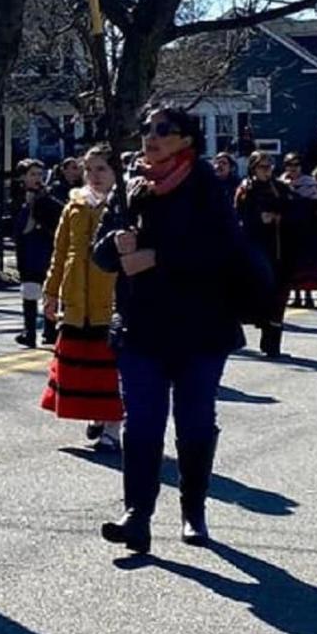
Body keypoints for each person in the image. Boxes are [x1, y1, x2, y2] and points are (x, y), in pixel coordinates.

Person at [94, 104, 261, 553]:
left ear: (186, 139)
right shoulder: (129, 185)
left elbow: (224, 251)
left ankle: (194, 511)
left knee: (194, 422)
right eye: (147, 128)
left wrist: (158, 257)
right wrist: (115, 243)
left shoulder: (206, 184)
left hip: (201, 327)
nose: (151, 136)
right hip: (141, 326)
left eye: (163, 130)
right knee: (143, 423)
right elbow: (101, 253)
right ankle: (137, 516)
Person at [40, 145, 123, 450]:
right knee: (81, 363)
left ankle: (113, 426)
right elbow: (60, 253)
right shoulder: (73, 206)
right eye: (89, 169)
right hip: (77, 298)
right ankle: (96, 415)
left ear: (115, 173)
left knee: (111, 367)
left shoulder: (122, 206)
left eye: (102, 169)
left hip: (110, 299)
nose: (95, 176)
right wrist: (51, 293)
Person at [235, 150, 295, 359]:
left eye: (269, 166)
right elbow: (239, 217)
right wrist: (258, 219)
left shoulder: (280, 188)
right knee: (256, 294)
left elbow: (293, 209)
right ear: (253, 169)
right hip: (254, 248)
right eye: (262, 167)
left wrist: (278, 217)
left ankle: (272, 345)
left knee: (278, 297)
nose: (267, 171)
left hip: (279, 248)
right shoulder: (246, 190)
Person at [12, 159, 63, 347]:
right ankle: (30, 331)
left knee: (50, 291)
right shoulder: (18, 199)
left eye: (40, 175)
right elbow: (20, 228)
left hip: (47, 249)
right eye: (33, 174)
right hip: (28, 251)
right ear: (23, 177)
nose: (37, 179)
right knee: (30, 291)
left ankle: (50, 330)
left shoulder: (48, 198)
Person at [280, 153, 317, 309]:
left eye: (295, 165)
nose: (292, 168)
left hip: (307, 231)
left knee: (307, 265)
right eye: (289, 165)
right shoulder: (281, 183)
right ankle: (296, 296)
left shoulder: (309, 184)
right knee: (291, 266)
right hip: (288, 231)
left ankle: (308, 295)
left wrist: (302, 203)